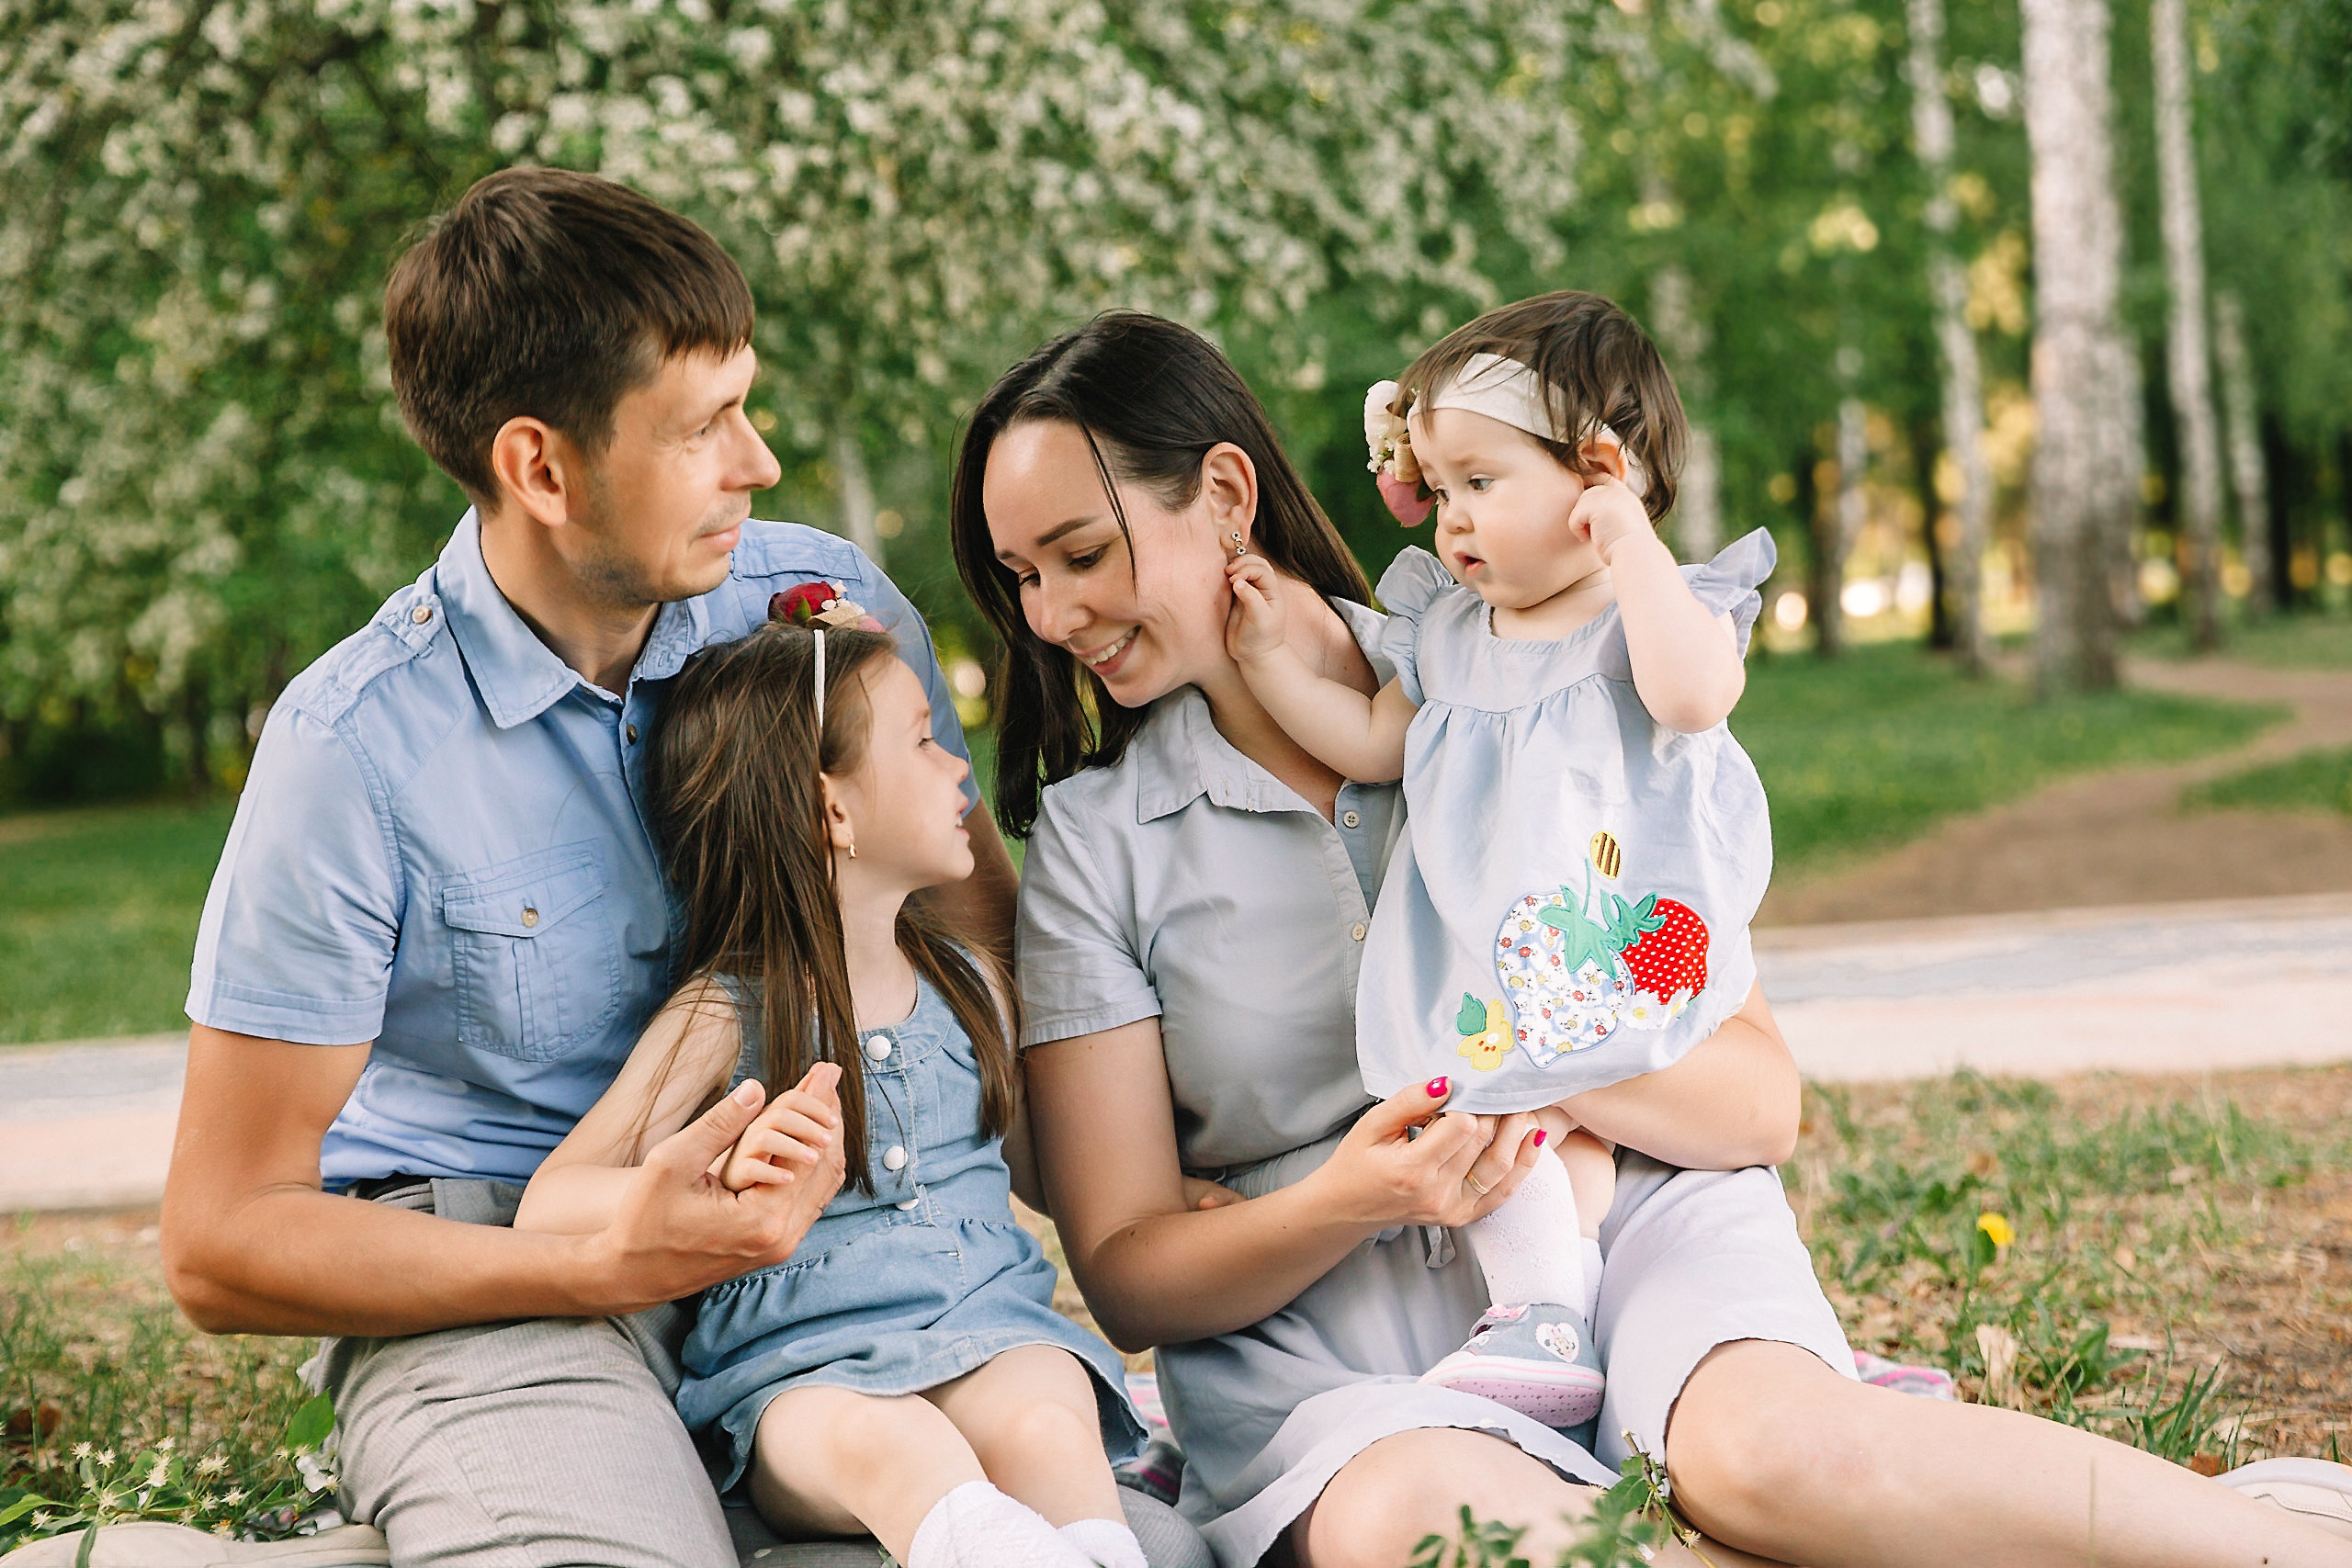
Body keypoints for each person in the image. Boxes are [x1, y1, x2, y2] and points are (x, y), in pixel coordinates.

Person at [952, 308, 2352, 1568]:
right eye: (1020, 576)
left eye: (1081, 554)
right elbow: (1131, 1265)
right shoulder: (1097, 839)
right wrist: (1355, 1193)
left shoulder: (1531, 683)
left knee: (1776, 1452)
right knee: (1431, 1523)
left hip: (1634, 1218)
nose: (1051, 616)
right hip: (1328, 1357)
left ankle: (2274, 1541)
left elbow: (1758, 1096)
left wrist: (1523, 1066)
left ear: (1225, 493)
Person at [153, 165, 1185, 1568]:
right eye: (706, 426)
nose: (758, 462)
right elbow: (220, 1239)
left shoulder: (813, 610)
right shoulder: (356, 748)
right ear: (541, 465)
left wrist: (1150, 1214)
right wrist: (592, 1256)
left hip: (834, 1276)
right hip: (506, 1275)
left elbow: (974, 959)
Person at [1223, 291, 1778, 1427]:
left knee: (1553, 1100)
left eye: (1482, 483)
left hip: (1612, 928)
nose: (1451, 523)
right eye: (1438, 490)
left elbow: (1694, 695)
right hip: (1495, 942)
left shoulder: (1648, 613)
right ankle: (1547, 1312)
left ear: (1598, 469)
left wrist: (1628, 542)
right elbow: (1376, 745)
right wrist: (1274, 664)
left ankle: (1577, 1318)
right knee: (1516, 1122)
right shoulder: (1450, 637)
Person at [512, 615, 1150, 1568]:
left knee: (1048, 1414)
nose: (956, 773)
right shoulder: (726, 1015)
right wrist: (708, 1177)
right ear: (833, 810)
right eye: (926, 741)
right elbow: (548, 1208)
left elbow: (1049, 1168)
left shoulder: (970, 988)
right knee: (903, 1448)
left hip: (986, 1333)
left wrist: (1168, 1198)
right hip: (803, 1384)